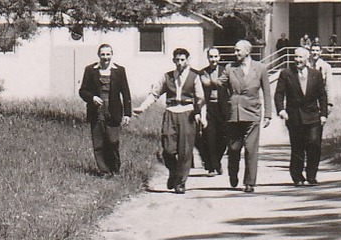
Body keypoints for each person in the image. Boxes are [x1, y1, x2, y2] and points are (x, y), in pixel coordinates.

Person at [135, 47, 204, 194]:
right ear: (173, 60)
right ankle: (173, 172)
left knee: (185, 151)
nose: (179, 62)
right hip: (171, 113)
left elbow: (200, 98)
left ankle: (180, 183)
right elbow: (154, 94)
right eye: (177, 60)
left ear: (187, 60)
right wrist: (142, 107)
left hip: (188, 113)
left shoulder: (194, 77)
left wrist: (202, 115)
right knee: (168, 149)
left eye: (182, 60)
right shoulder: (167, 77)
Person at [274, 46, 331, 185]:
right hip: (295, 117)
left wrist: (323, 114)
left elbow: (322, 95)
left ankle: (311, 175)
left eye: (300, 57)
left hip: (313, 116)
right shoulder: (286, 73)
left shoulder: (316, 74)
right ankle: (297, 176)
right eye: (296, 57)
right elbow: (279, 94)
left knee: (314, 144)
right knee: (297, 147)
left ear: (307, 58)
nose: (297, 60)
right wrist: (281, 110)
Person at [220, 38, 272, 192]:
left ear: (247, 51)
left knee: (251, 149)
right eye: (235, 50)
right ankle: (233, 172)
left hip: (253, 112)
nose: (235, 53)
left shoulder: (260, 68)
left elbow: (267, 92)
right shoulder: (230, 68)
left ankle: (250, 182)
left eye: (238, 50)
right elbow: (219, 84)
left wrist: (268, 114)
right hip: (234, 113)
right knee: (234, 148)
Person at [78, 43, 131, 175]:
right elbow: (82, 91)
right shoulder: (90, 70)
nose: (105, 57)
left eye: (108, 54)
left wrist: (127, 114)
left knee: (113, 141)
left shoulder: (119, 71)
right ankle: (104, 171)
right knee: (99, 143)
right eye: (103, 54)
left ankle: (115, 168)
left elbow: (126, 93)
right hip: (96, 111)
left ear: (112, 55)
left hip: (113, 111)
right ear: (98, 55)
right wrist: (92, 98)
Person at [196, 45, 230, 175]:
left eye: (216, 57)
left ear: (219, 57)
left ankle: (217, 162)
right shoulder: (202, 73)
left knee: (223, 139)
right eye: (211, 57)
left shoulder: (225, 71)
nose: (213, 59)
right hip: (207, 108)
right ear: (207, 58)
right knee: (209, 137)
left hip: (222, 109)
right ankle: (211, 167)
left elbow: (230, 90)